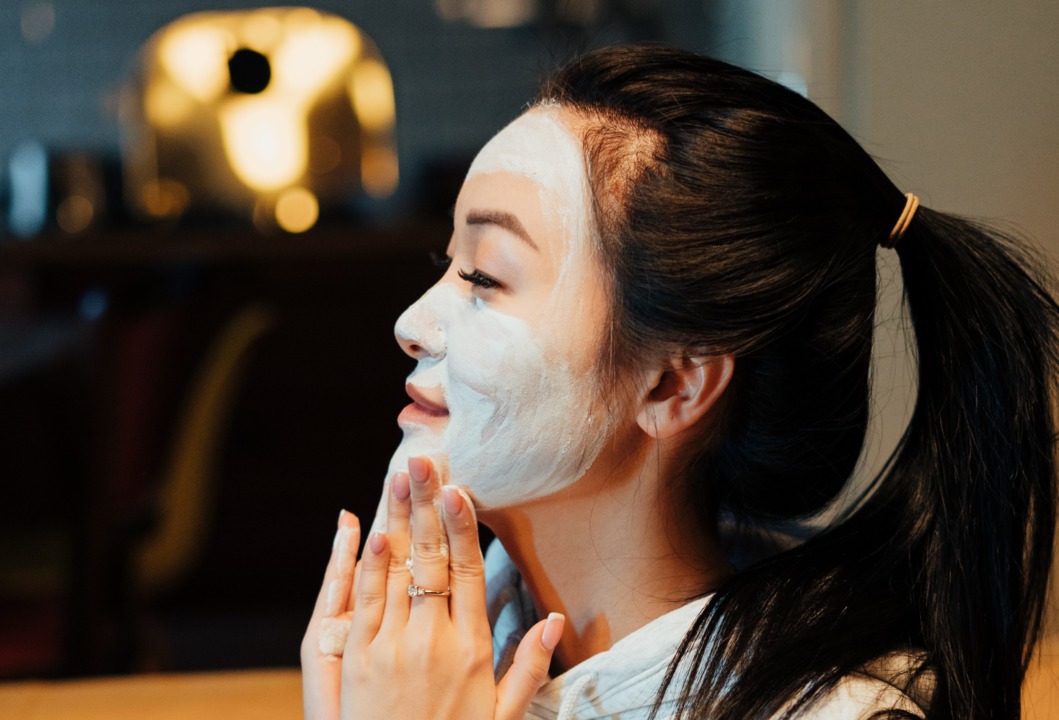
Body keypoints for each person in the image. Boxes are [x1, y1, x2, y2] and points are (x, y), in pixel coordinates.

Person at [301, 45, 1059, 719]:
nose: (411, 323)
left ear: (672, 388)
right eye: (446, 265)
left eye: (484, 277)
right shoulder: (425, 641)